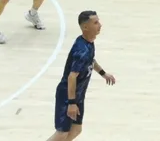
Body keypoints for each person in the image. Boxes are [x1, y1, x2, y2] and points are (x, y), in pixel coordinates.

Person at [49, 11, 117, 141]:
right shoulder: (82, 50)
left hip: (78, 96)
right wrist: (71, 103)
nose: (100, 25)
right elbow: (72, 77)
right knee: (62, 134)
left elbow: (90, 60)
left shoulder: (88, 42)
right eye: (95, 23)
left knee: (76, 130)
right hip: (67, 96)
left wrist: (103, 73)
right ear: (85, 27)